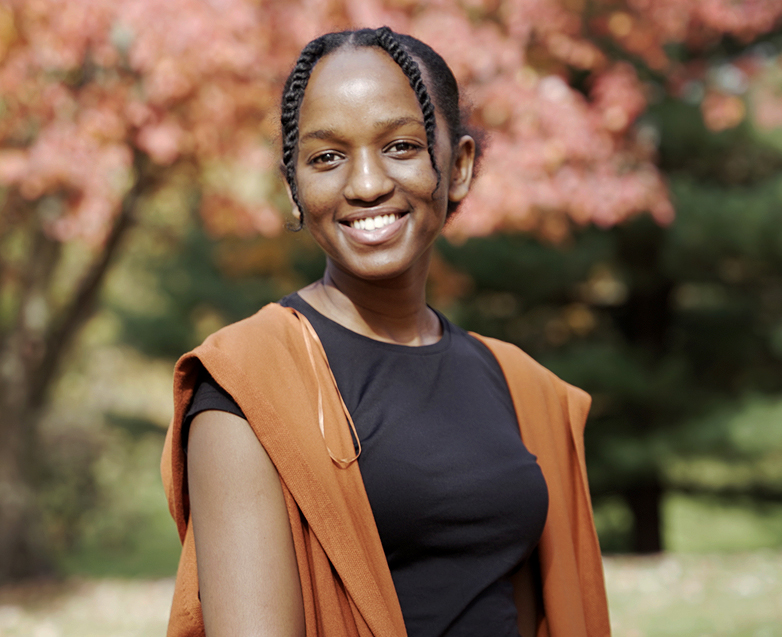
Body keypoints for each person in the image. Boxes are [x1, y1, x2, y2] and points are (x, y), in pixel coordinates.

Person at [161, 26, 609, 637]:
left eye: (400, 146)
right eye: (326, 157)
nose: (366, 183)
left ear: (460, 167)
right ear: (294, 187)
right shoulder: (248, 385)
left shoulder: (518, 384)